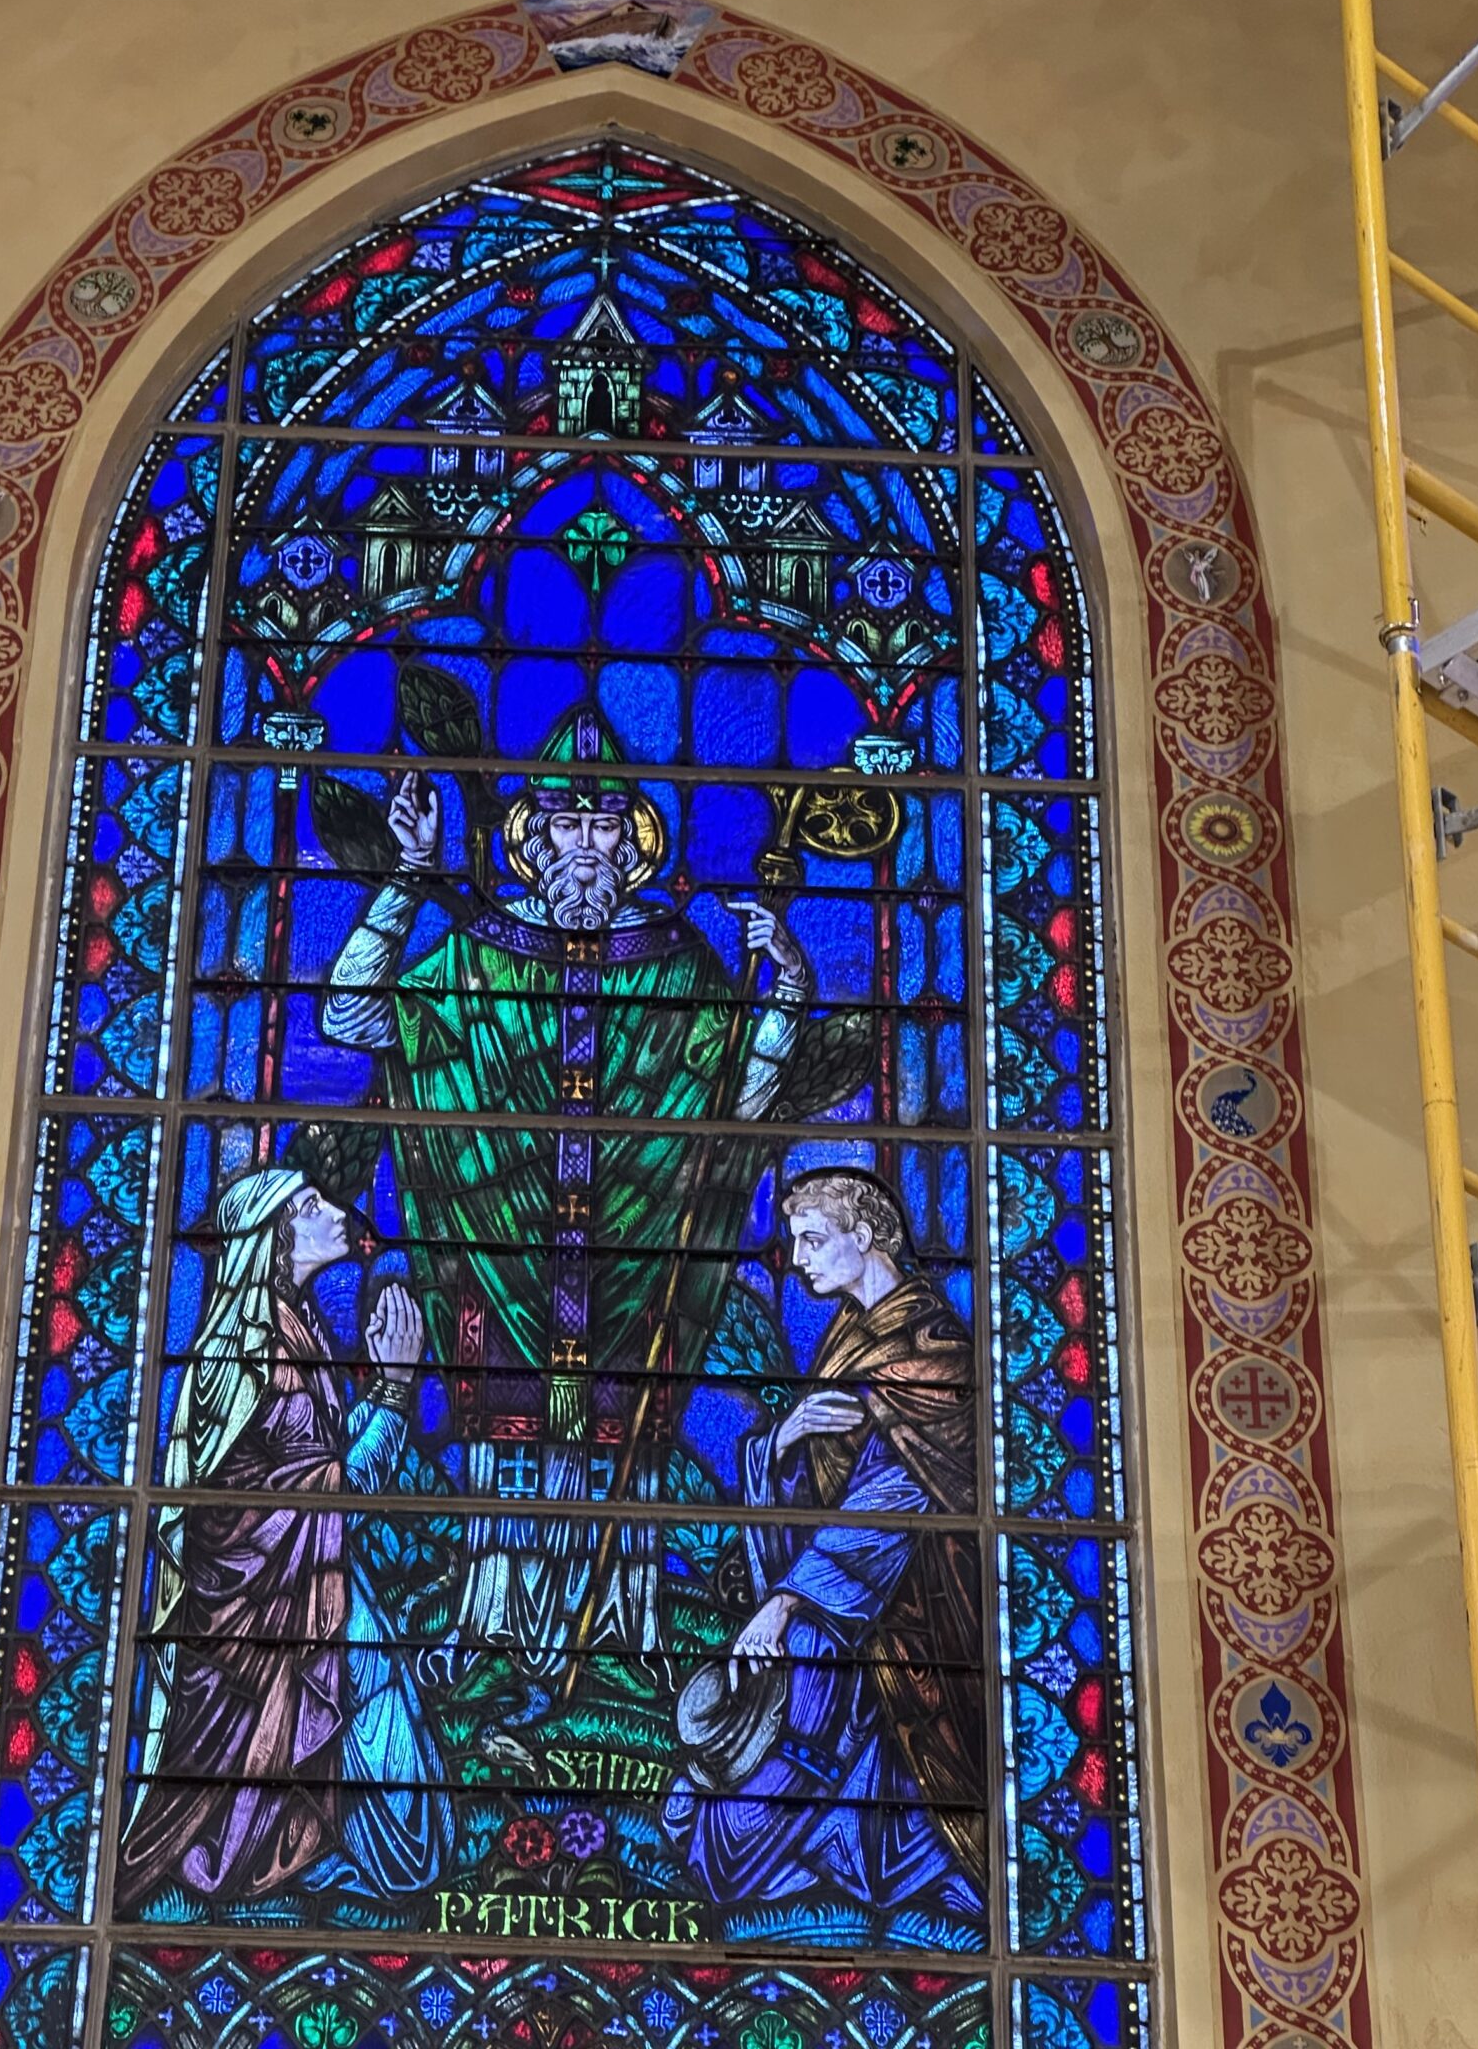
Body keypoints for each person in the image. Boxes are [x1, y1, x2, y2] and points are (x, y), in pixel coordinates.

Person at [321, 702, 810, 1665]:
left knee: (621, 1432)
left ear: (632, 844)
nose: (585, 848)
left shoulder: (678, 967)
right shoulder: (477, 958)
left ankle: (623, 1637)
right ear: (532, 840)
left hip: (635, 1264)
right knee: (506, 1437)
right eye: (564, 826)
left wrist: (786, 993)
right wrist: (411, 879)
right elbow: (350, 1015)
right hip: (502, 1258)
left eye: (603, 828)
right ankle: (494, 1627)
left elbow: (735, 1109)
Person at [115, 1165, 449, 1914]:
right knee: (404, 1835)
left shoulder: (295, 1332)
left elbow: (317, 1478)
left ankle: (321, 1847)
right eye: (312, 1204)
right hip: (257, 1626)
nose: (336, 1212)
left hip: (307, 1592)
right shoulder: (253, 1354)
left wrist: (381, 1397)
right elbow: (321, 1497)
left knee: (410, 1807)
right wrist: (395, 1389)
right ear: (273, 1236)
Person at [671, 1165, 987, 1946]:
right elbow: (822, 1492)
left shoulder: (933, 1352)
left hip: (919, 1622)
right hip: (845, 1608)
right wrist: (782, 1438)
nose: (798, 1258)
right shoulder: (851, 1336)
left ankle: (853, 1863)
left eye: (813, 1240)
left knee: (750, 1813)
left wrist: (784, 1605)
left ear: (868, 1236)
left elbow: (886, 1506)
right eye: (794, 1242)